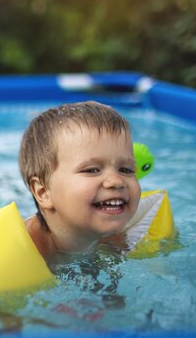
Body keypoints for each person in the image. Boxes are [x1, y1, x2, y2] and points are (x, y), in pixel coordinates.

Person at [19, 101, 141, 261]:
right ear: (44, 192)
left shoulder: (116, 240)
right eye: (92, 170)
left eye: (126, 170)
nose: (116, 181)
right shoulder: (25, 252)